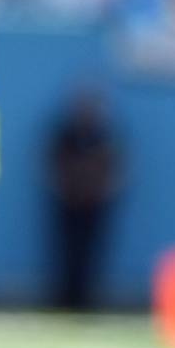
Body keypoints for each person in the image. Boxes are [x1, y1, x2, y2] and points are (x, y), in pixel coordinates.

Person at [45, 85, 123, 311]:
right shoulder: (66, 133)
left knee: (90, 252)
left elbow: (113, 168)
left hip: (94, 203)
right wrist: (67, 188)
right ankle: (64, 298)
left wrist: (98, 190)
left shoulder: (103, 135)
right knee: (66, 251)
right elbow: (53, 164)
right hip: (68, 202)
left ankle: (86, 298)